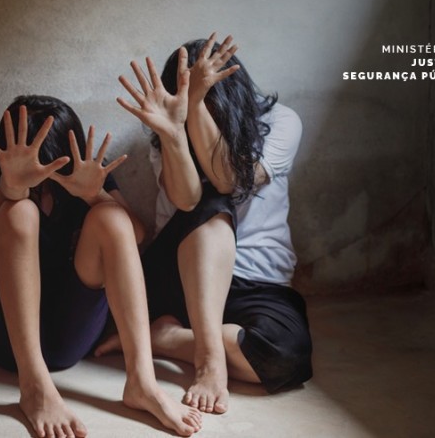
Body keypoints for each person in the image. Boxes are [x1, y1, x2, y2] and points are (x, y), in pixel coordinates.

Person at [0, 95, 203, 438]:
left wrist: (94, 194)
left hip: (69, 336)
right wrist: (12, 186)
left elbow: (135, 234)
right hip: (3, 338)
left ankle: (143, 383)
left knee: (111, 217)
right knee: (18, 210)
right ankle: (35, 388)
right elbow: (2, 198)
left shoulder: (90, 179)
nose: (42, 169)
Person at [98, 34, 313, 414]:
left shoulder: (281, 121)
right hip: (180, 275)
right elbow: (187, 200)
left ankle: (165, 338)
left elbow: (232, 179)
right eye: (186, 92)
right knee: (209, 202)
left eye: (205, 93)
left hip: (256, 281)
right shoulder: (164, 135)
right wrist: (173, 133)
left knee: (283, 358)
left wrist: (196, 102)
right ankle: (210, 360)